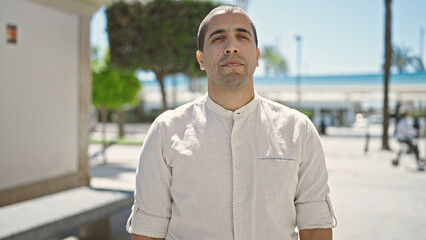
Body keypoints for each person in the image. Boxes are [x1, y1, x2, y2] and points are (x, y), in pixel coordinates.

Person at [127, 5, 336, 240]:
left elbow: (316, 227)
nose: (231, 47)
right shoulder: (165, 132)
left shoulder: (299, 131)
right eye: (218, 38)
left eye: (241, 36)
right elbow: (147, 232)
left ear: (257, 57)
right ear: (201, 59)